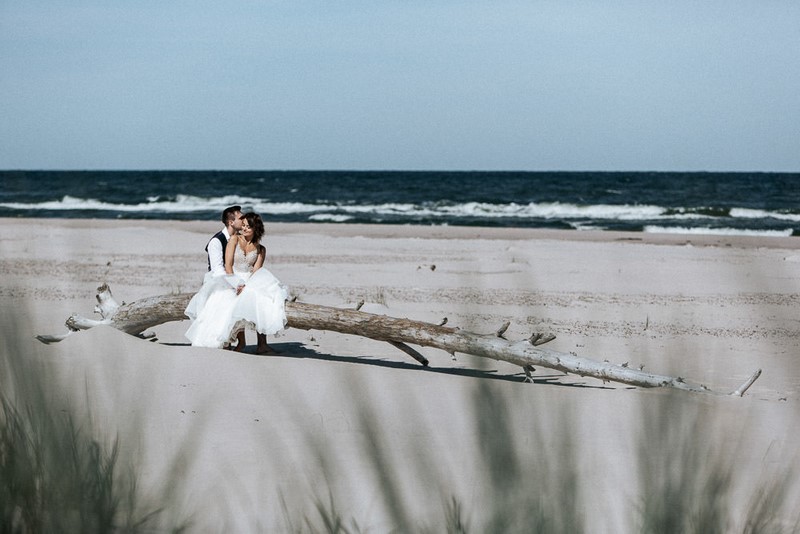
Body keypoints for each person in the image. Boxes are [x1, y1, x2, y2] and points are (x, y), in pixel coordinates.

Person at [185, 212, 287, 353]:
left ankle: (262, 344)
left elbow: (256, 272)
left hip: (250, 281)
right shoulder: (234, 239)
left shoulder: (261, 249)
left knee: (261, 298)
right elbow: (228, 265)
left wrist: (248, 285)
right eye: (243, 225)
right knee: (232, 301)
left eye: (248, 227)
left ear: (256, 229)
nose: (244, 229)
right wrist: (235, 283)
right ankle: (241, 342)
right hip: (232, 278)